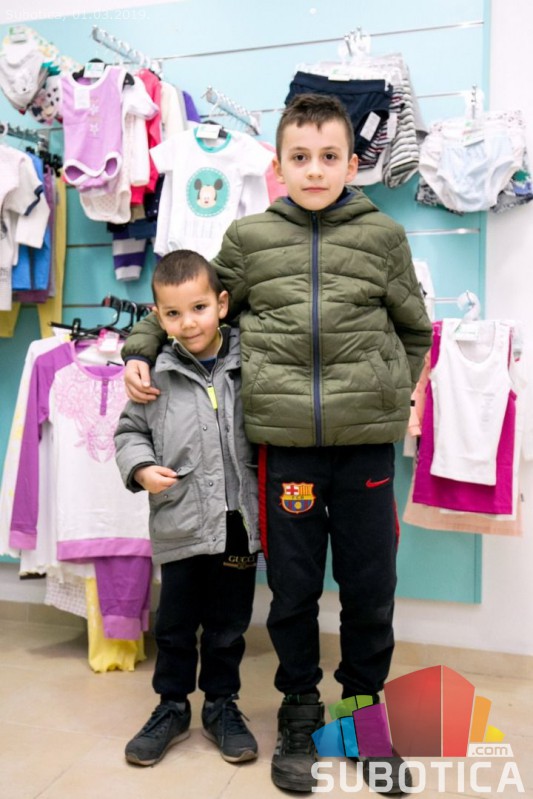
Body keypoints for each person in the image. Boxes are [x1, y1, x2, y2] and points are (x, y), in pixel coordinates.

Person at [120, 94, 433, 794]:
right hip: (284, 449)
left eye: (329, 157)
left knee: (370, 589)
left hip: (364, 449)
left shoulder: (383, 237)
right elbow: (186, 303)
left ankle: (362, 718)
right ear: (278, 165)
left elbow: (414, 329)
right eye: (300, 157)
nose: (315, 170)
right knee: (293, 590)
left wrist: (388, 390)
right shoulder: (249, 240)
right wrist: (139, 348)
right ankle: (299, 712)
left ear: (352, 164)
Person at [114, 249, 260, 768]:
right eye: (174, 314)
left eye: (198, 308)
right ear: (158, 317)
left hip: (238, 525)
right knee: (174, 626)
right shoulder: (154, 372)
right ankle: (171, 706)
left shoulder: (250, 362)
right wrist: (140, 469)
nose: (188, 323)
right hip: (179, 521)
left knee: (228, 625)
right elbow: (129, 433)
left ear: (221, 304)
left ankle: (222, 705)